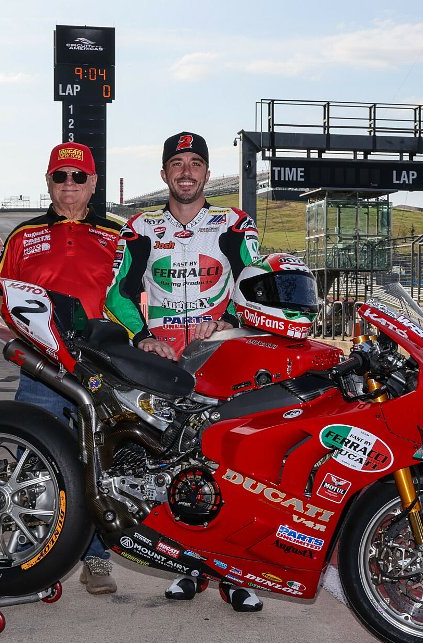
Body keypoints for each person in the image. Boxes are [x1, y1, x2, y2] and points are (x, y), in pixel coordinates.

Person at [104, 131, 263, 611]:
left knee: (232, 466)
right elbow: (118, 293)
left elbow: (255, 282)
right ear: (164, 174)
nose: (186, 171)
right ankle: (188, 566)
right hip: (165, 364)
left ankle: (237, 574)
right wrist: (141, 337)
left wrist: (228, 320)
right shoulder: (141, 227)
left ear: (207, 173)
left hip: (223, 358)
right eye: (177, 164)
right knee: (174, 466)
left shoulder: (234, 223)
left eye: (195, 163)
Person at [0, 141, 121, 595]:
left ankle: (96, 559)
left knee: (97, 462)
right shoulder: (22, 236)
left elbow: (132, 299)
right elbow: (1, 299)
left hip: (99, 368)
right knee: (34, 462)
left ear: (93, 183)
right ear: (48, 182)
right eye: (60, 176)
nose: (69, 184)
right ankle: (33, 558)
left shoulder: (117, 235)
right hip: (42, 368)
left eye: (78, 177)